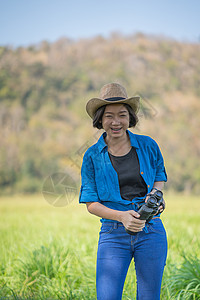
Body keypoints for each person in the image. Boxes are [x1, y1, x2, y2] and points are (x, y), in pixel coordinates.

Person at [79, 82, 168, 300]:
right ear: (100, 119)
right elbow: (91, 204)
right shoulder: (92, 156)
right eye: (109, 116)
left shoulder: (148, 145)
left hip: (151, 231)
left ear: (130, 118)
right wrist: (122, 217)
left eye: (122, 115)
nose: (116, 122)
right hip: (113, 234)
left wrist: (156, 196)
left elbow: (159, 176)